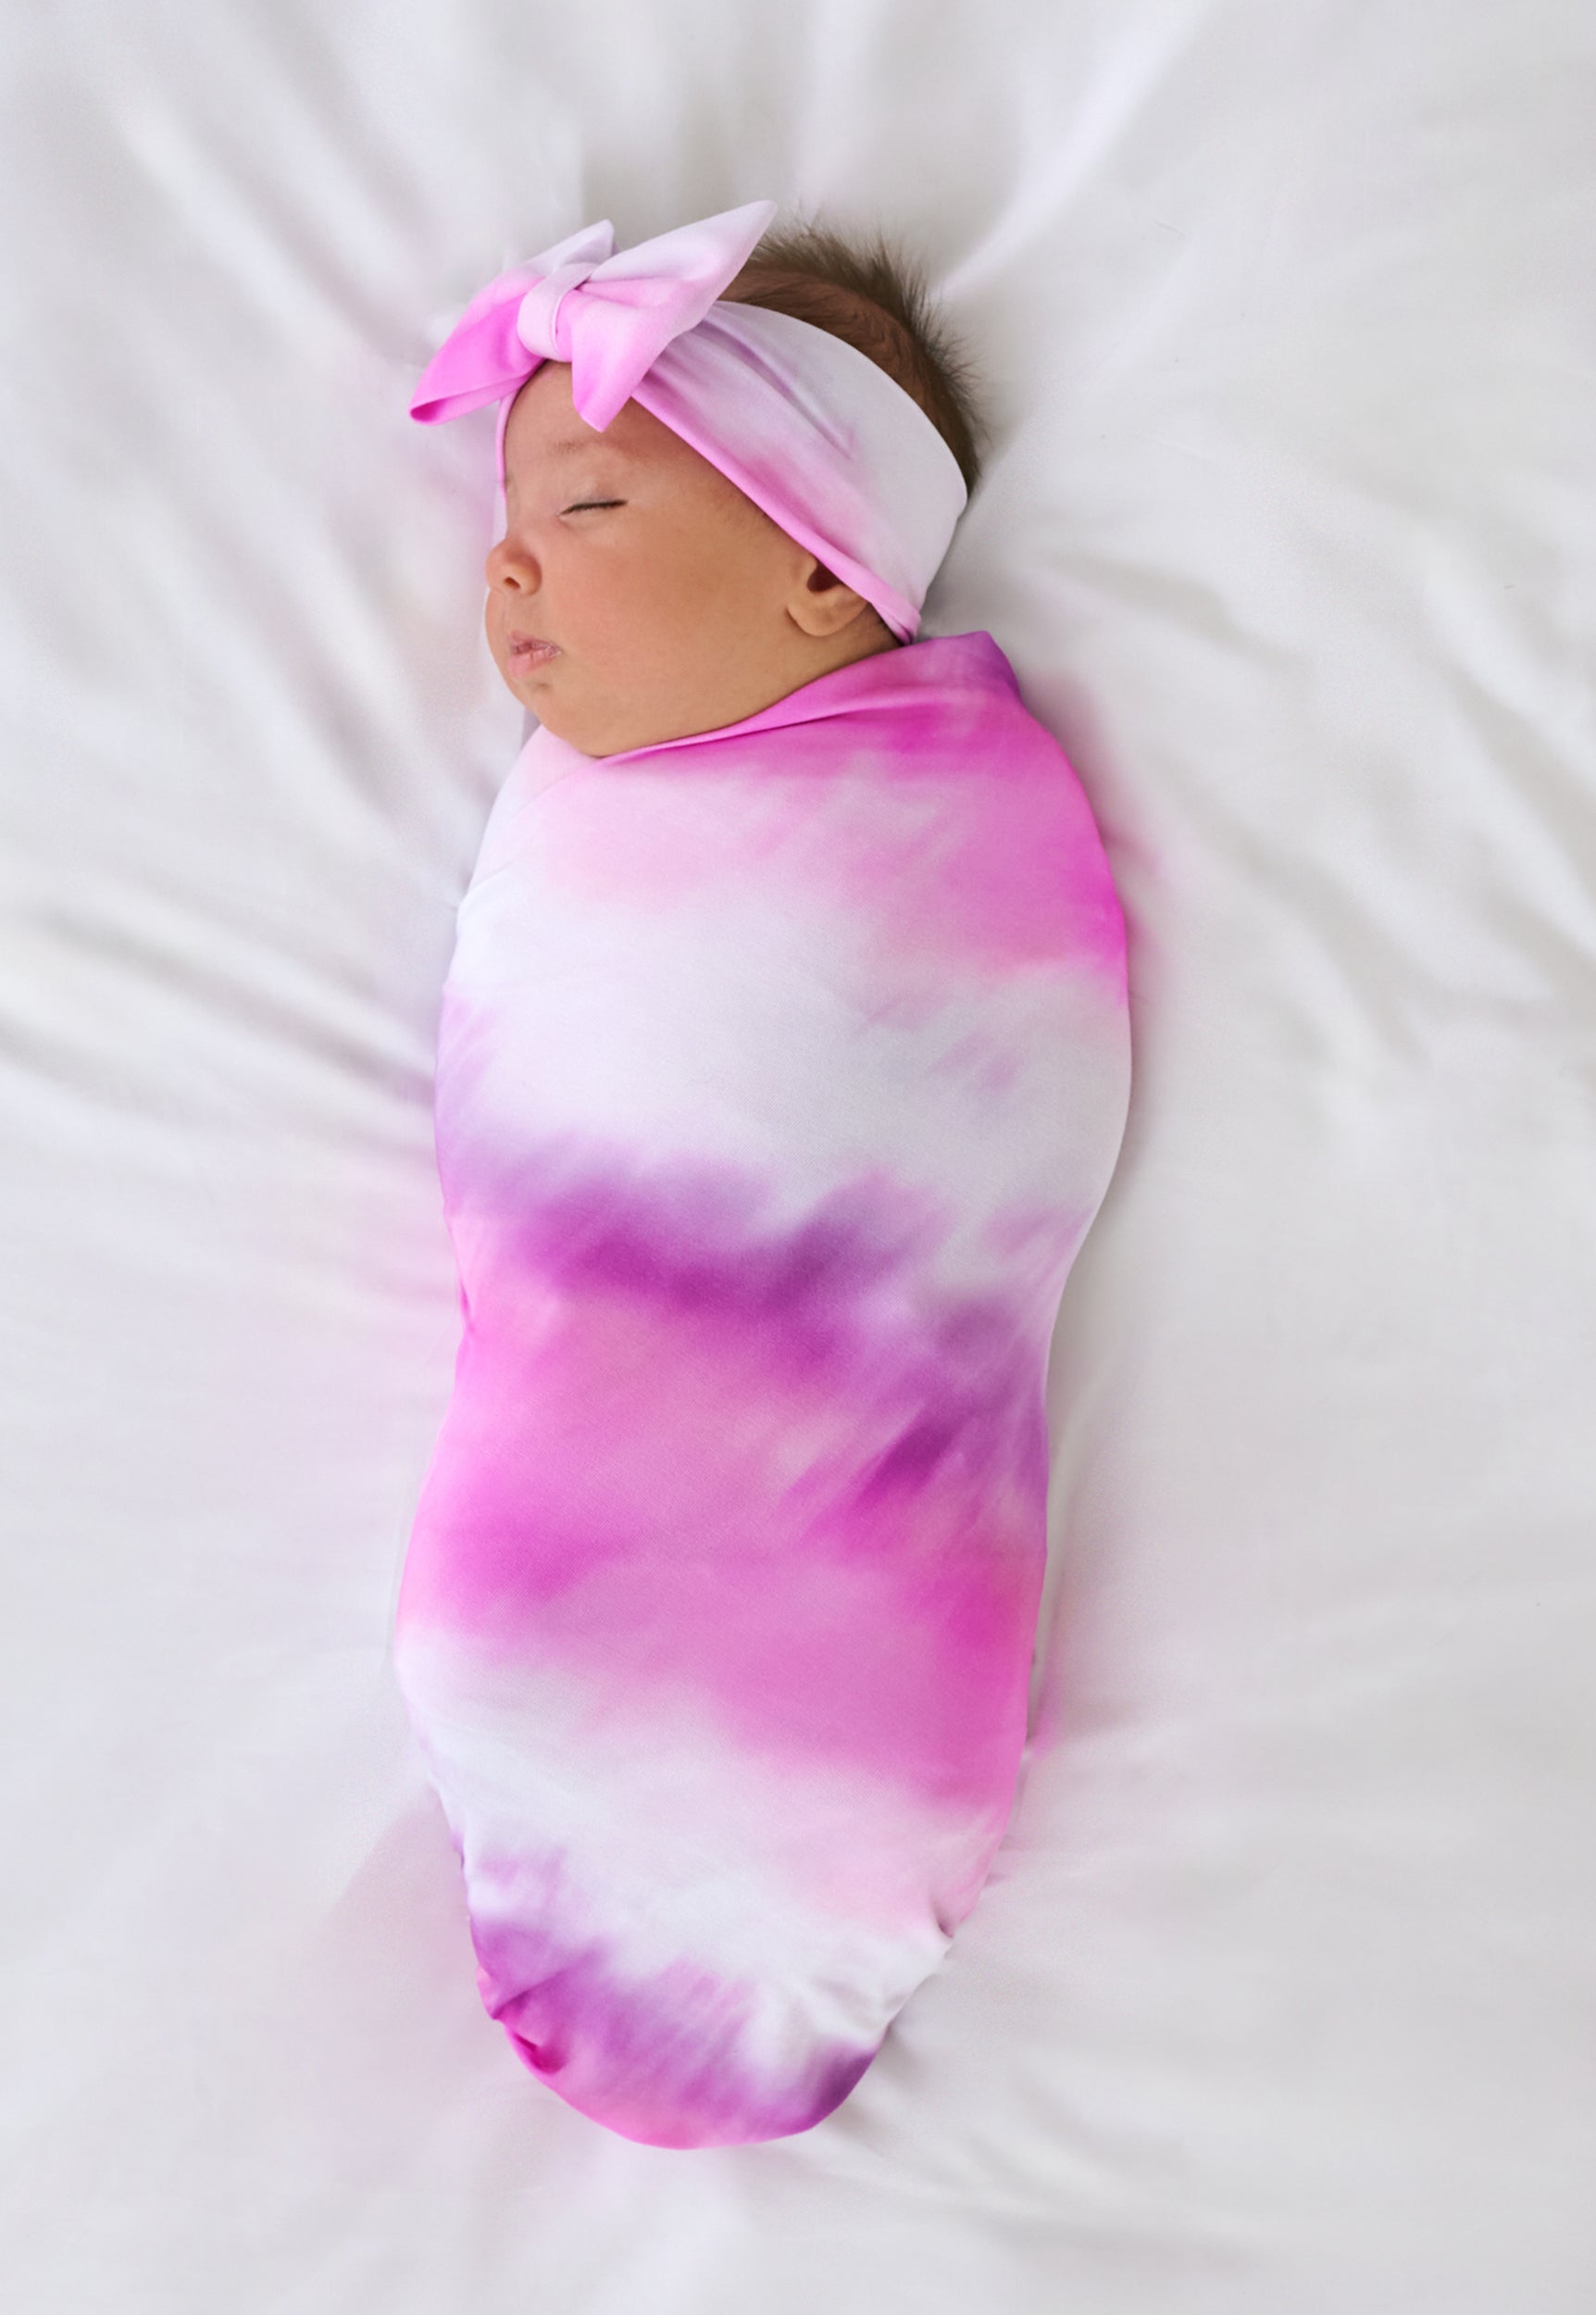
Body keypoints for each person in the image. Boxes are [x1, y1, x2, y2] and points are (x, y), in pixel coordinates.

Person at [395, 201, 1132, 2147]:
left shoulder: (943, 816)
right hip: (583, 1450)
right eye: (508, 518)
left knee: (793, 1548)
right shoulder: (594, 806)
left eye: (590, 505)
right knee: (551, 1552)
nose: (509, 561)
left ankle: (812, 1809)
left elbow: (987, 1140)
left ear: (821, 569)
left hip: (836, 1518)